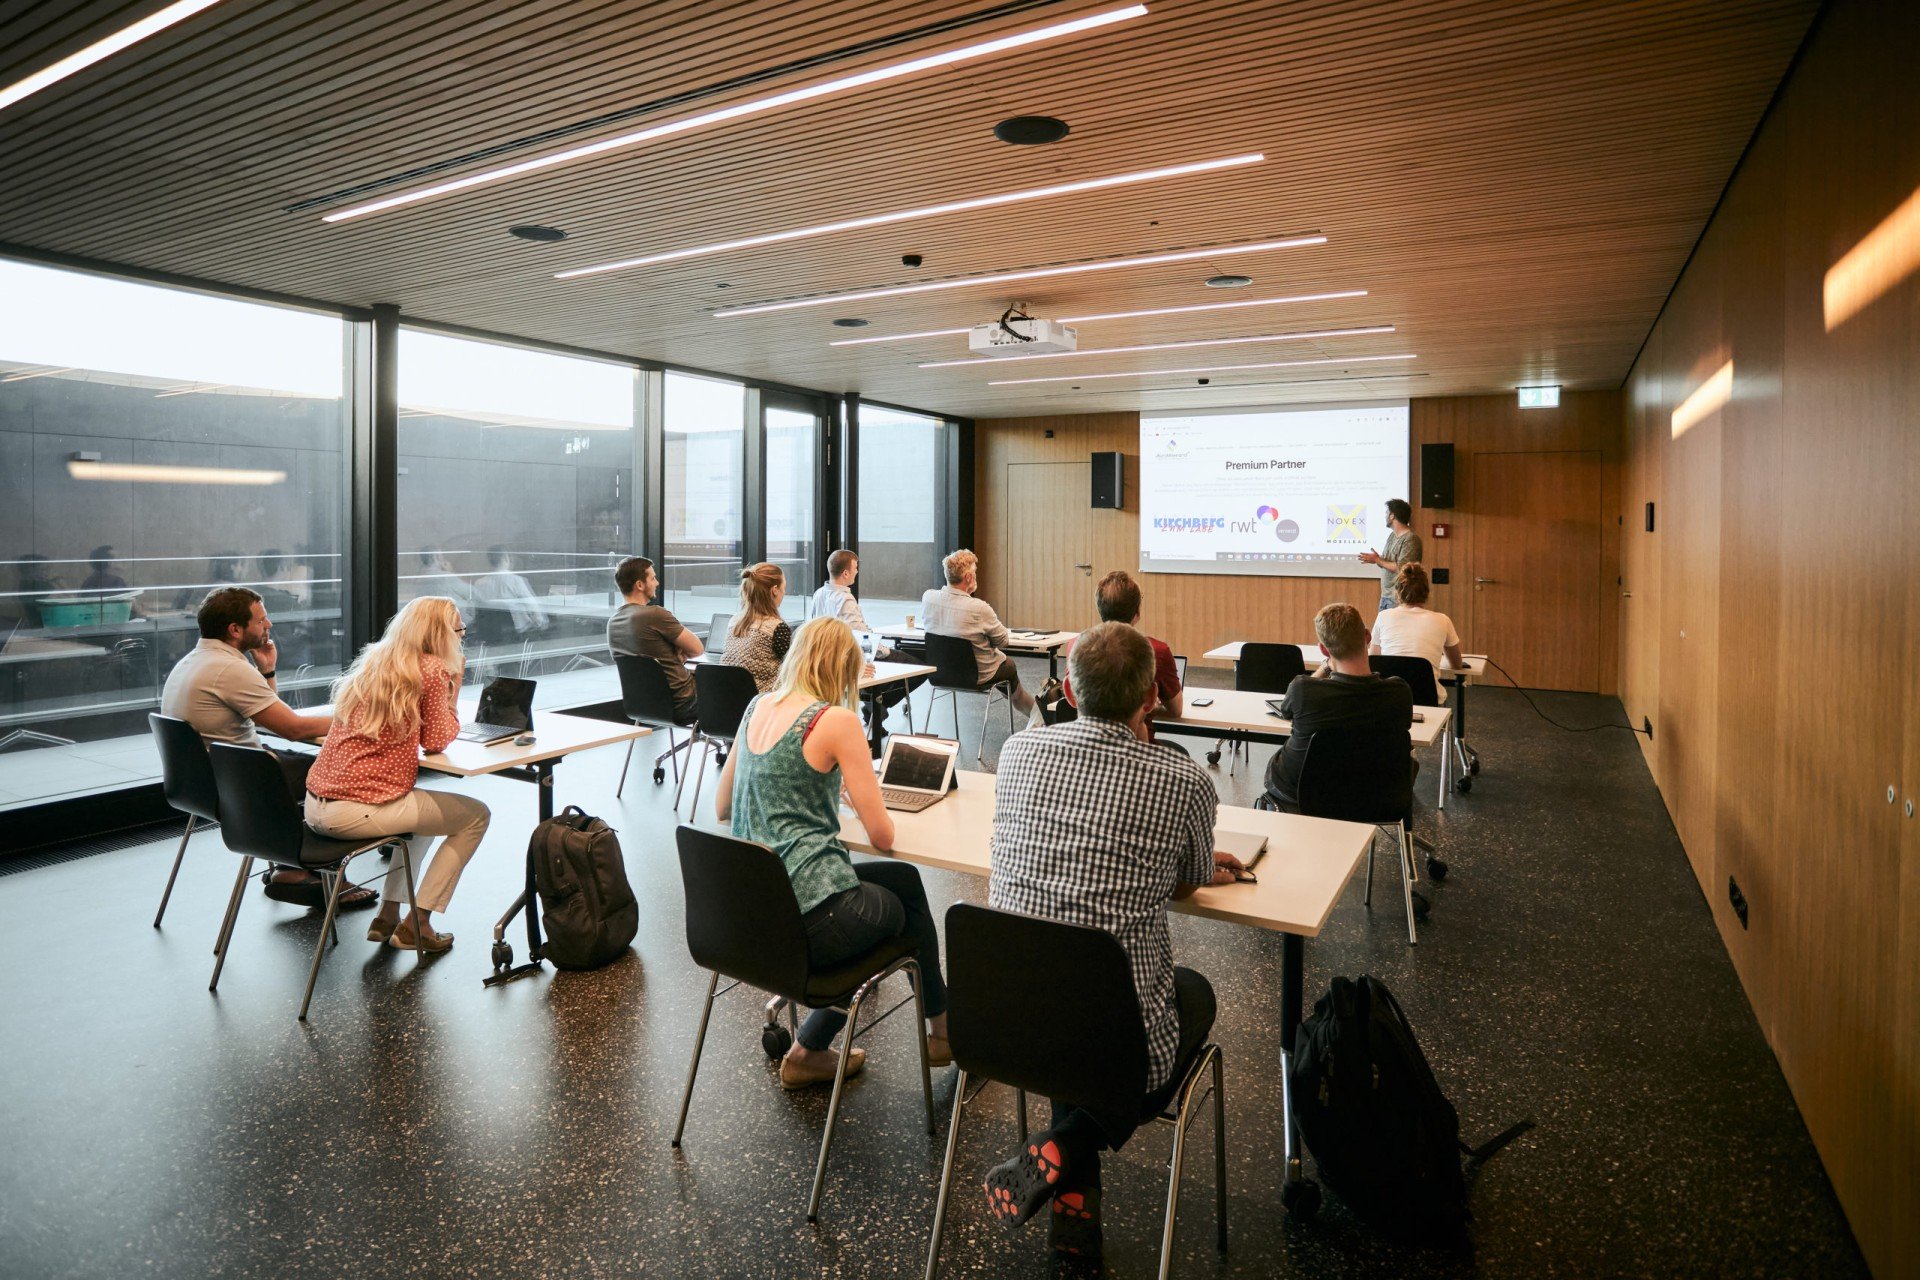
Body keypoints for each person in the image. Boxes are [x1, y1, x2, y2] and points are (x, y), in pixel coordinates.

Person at [984, 621, 1242, 1259]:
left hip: (1006, 1023)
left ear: (1068, 689)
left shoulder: (1018, 752)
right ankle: (1069, 1146)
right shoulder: (1183, 782)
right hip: (1115, 1042)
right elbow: (1184, 885)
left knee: (1069, 982)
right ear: (1150, 698)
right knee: (1192, 995)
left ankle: (1075, 1207)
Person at [713, 616, 951, 1088]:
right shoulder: (836, 721)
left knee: (903, 881)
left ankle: (939, 1029)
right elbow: (882, 836)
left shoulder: (756, 706)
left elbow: (722, 807)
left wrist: (812, 789)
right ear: (843, 669)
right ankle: (821, 1047)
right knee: (903, 916)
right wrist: (857, 795)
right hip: (811, 916)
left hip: (752, 914)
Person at [159, 587, 369, 908]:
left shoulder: (197, 660)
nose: (269, 624)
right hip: (242, 780)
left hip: (203, 782)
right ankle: (307, 867)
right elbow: (293, 729)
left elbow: (261, 715)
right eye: (260, 619)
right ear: (235, 630)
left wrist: (267, 670)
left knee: (316, 765)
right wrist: (363, 717)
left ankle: (292, 867)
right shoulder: (229, 669)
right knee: (340, 773)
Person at [304, 596, 492, 953]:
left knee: (421, 816)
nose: (461, 637)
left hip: (316, 808)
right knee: (475, 817)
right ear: (439, 635)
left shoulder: (375, 661)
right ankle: (418, 924)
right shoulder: (433, 669)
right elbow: (437, 741)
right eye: (458, 631)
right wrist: (455, 685)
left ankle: (388, 915)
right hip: (357, 810)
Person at [1264, 602, 1414, 806]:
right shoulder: (1399, 691)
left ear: (1324, 650)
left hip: (1303, 791)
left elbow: (1286, 712)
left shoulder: (1303, 690)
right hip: (1378, 793)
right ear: (1368, 637)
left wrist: (1325, 668)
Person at [811, 549, 918, 753]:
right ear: (845, 573)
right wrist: (885, 652)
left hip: (828, 659)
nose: (857, 572)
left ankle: (874, 706)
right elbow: (860, 638)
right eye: (855, 568)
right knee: (916, 667)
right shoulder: (845, 600)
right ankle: (876, 707)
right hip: (851, 660)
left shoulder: (819, 594)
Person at [919, 549, 1035, 717]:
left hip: (940, 674)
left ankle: (1031, 711)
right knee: (1009, 665)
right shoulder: (979, 608)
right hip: (977, 676)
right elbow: (1003, 641)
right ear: (968, 577)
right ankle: (1033, 714)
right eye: (974, 572)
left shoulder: (928, 598)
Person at [1061, 570, 1182, 719]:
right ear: (1137, 612)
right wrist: (1147, 706)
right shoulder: (1157, 651)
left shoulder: (1077, 645)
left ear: (1100, 609)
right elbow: (1175, 711)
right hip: (1138, 740)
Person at [607, 555, 702, 723]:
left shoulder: (613, 622)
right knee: (737, 696)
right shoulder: (655, 615)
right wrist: (677, 649)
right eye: (653, 578)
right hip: (684, 702)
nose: (657, 582)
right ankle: (737, 749)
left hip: (644, 705)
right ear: (640, 585)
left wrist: (672, 650)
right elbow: (697, 649)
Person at [1370, 564, 1464, 702]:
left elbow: (1374, 660)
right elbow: (1456, 664)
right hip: (1427, 699)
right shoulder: (1443, 620)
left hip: (1389, 698)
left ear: (1397, 591)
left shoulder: (1383, 616)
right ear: (1427, 592)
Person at [720, 562, 792, 693]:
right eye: (783, 587)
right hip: (762, 703)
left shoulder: (733, 622)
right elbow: (794, 666)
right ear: (774, 590)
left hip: (729, 702)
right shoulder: (776, 627)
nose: (784, 592)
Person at [1359, 499, 1422, 611]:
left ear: (1392, 516)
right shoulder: (1392, 536)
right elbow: (1386, 563)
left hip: (1399, 598)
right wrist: (1376, 559)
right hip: (1386, 596)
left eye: (1386, 513)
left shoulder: (1410, 539)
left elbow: (1403, 568)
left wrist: (1379, 560)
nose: (1385, 516)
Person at [473, 545, 550, 635]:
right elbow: (532, 605)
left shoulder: (479, 583)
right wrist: (539, 622)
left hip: (489, 633)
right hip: (514, 632)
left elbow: (473, 610)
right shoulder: (516, 580)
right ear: (505, 558)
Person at [413, 547, 475, 624]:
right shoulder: (445, 577)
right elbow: (470, 592)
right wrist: (451, 572)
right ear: (437, 557)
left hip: (431, 620)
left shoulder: (420, 578)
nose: (444, 559)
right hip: (449, 621)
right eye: (442, 556)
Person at [81, 544, 147, 616]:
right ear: (109, 563)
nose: (124, 559)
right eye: (119, 557)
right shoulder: (115, 581)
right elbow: (133, 608)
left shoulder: (91, 580)